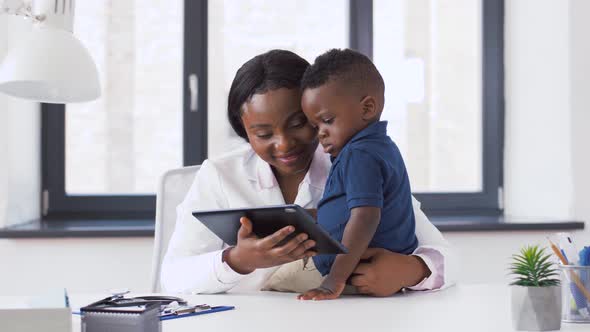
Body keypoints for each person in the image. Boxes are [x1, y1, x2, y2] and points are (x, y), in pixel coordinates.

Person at [160, 49, 455, 296]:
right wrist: (237, 260)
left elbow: (449, 258)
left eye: (299, 123)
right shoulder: (219, 176)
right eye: (263, 134)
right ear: (245, 133)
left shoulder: (359, 162)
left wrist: (413, 270)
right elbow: (172, 278)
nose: (285, 144)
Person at [289, 48, 418, 300]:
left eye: (327, 120)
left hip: (354, 279)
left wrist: (332, 281)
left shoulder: (360, 154)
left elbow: (365, 217)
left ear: (367, 108)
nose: (320, 133)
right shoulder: (378, 147)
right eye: (316, 126)